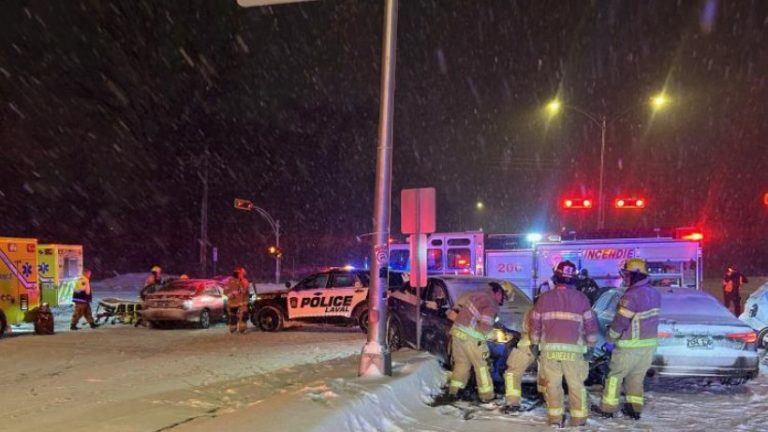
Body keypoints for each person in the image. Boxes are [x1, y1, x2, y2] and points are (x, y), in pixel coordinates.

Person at [530, 260, 598, 427]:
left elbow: (535, 324)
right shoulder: (581, 299)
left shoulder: (544, 298)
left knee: (553, 385)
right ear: (574, 279)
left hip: (549, 351)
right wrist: (591, 345)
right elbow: (590, 326)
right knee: (576, 385)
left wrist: (534, 343)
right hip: (574, 352)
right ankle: (579, 419)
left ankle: (555, 419)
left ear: (556, 277)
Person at [593, 258, 661, 420]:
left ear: (636, 275)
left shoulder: (631, 296)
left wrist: (610, 338)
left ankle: (608, 409)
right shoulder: (654, 293)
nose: (625, 278)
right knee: (636, 378)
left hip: (629, 346)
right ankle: (635, 408)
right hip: (648, 347)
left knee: (615, 376)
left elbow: (620, 323)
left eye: (627, 275)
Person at [446, 281, 512, 404]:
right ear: (498, 292)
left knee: (462, 364)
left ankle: (454, 391)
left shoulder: (477, 295)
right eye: (504, 296)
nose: (503, 300)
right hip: (471, 339)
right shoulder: (491, 303)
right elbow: (484, 327)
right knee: (482, 366)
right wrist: (498, 335)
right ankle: (487, 396)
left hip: (457, 334)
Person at [226, 266, 250, 334]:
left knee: (238, 315)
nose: (242, 275)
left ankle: (239, 328)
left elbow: (245, 290)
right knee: (236, 316)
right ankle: (236, 328)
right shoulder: (233, 281)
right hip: (239, 303)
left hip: (237, 303)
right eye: (242, 274)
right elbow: (226, 290)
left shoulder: (232, 281)